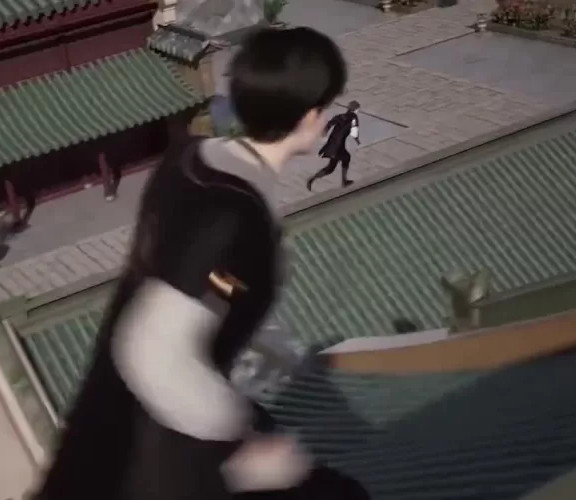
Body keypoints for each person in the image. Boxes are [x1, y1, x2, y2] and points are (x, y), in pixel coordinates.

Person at [30, 27, 368, 500]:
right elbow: (156, 348)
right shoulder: (237, 221)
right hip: (162, 443)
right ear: (312, 117)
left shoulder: (190, 161)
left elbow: (208, 293)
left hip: (112, 417)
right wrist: (238, 443)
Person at [307, 100, 361, 191]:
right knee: (344, 159)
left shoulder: (340, 116)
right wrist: (357, 141)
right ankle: (344, 181)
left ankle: (312, 179)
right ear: (355, 109)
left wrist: (325, 131)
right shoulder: (354, 118)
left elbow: (330, 123)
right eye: (358, 109)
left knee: (332, 167)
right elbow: (354, 132)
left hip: (332, 144)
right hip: (339, 146)